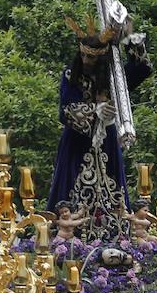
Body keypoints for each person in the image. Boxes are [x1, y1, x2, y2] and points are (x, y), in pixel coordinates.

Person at [46, 13, 151, 238]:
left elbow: (141, 69)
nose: (85, 62)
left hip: (107, 142)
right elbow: (65, 110)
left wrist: (129, 36)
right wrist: (95, 111)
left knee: (112, 186)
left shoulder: (115, 78)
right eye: (83, 56)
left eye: (91, 58)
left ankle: (117, 231)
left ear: (102, 59)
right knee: (70, 190)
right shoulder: (70, 75)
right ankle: (66, 231)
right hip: (77, 143)